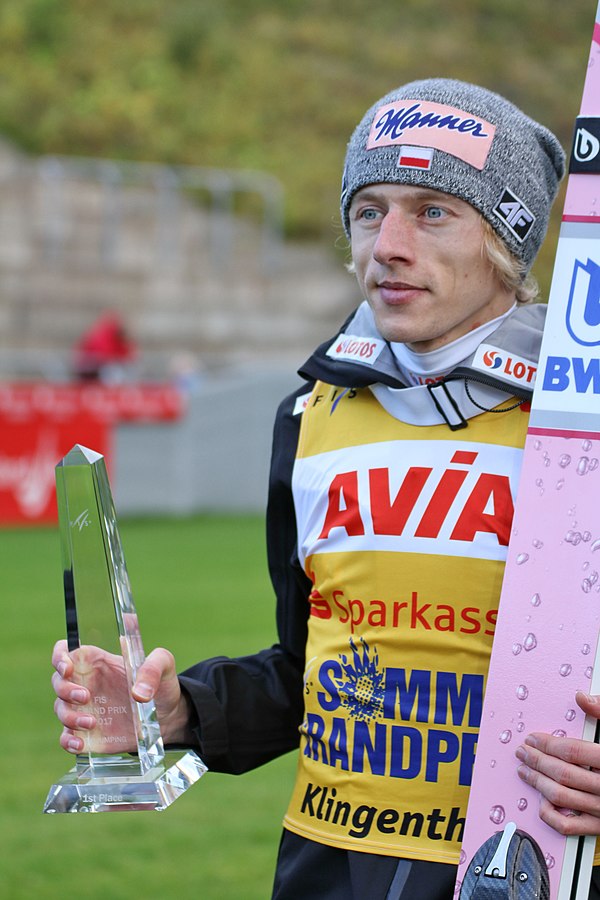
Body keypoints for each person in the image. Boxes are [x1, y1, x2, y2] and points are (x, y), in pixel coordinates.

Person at [52, 79, 600, 899]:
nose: (389, 244)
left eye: (433, 211)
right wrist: (177, 714)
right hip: (325, 867)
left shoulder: (579, 426)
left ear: (505, 240)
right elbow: (310, 670)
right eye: (370, 209)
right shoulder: (308, 416)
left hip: (523, 862)